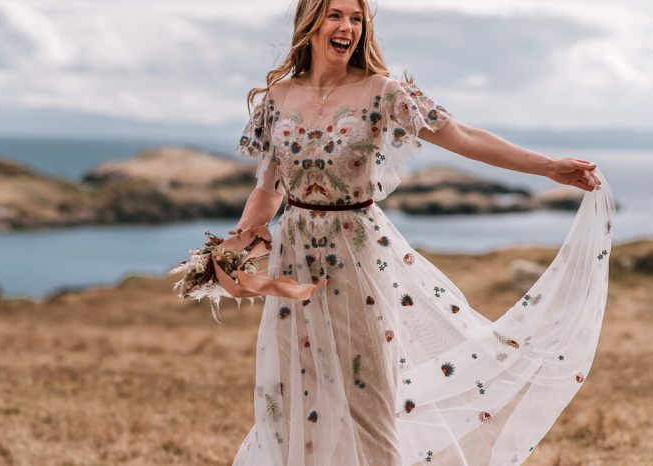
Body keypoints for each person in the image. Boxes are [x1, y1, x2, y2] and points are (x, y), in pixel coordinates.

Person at [230, 0, 615, 464]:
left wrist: (548, 166)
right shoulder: (278, 98)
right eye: (335, 15)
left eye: (357, 19)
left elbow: (462, 136)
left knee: (367, 398)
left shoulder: (384, 92)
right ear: (310, 23)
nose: (347, 27)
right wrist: (237, 244)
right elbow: (268, 188)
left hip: (359, 260)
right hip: (292, 264)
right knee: (293, 392)